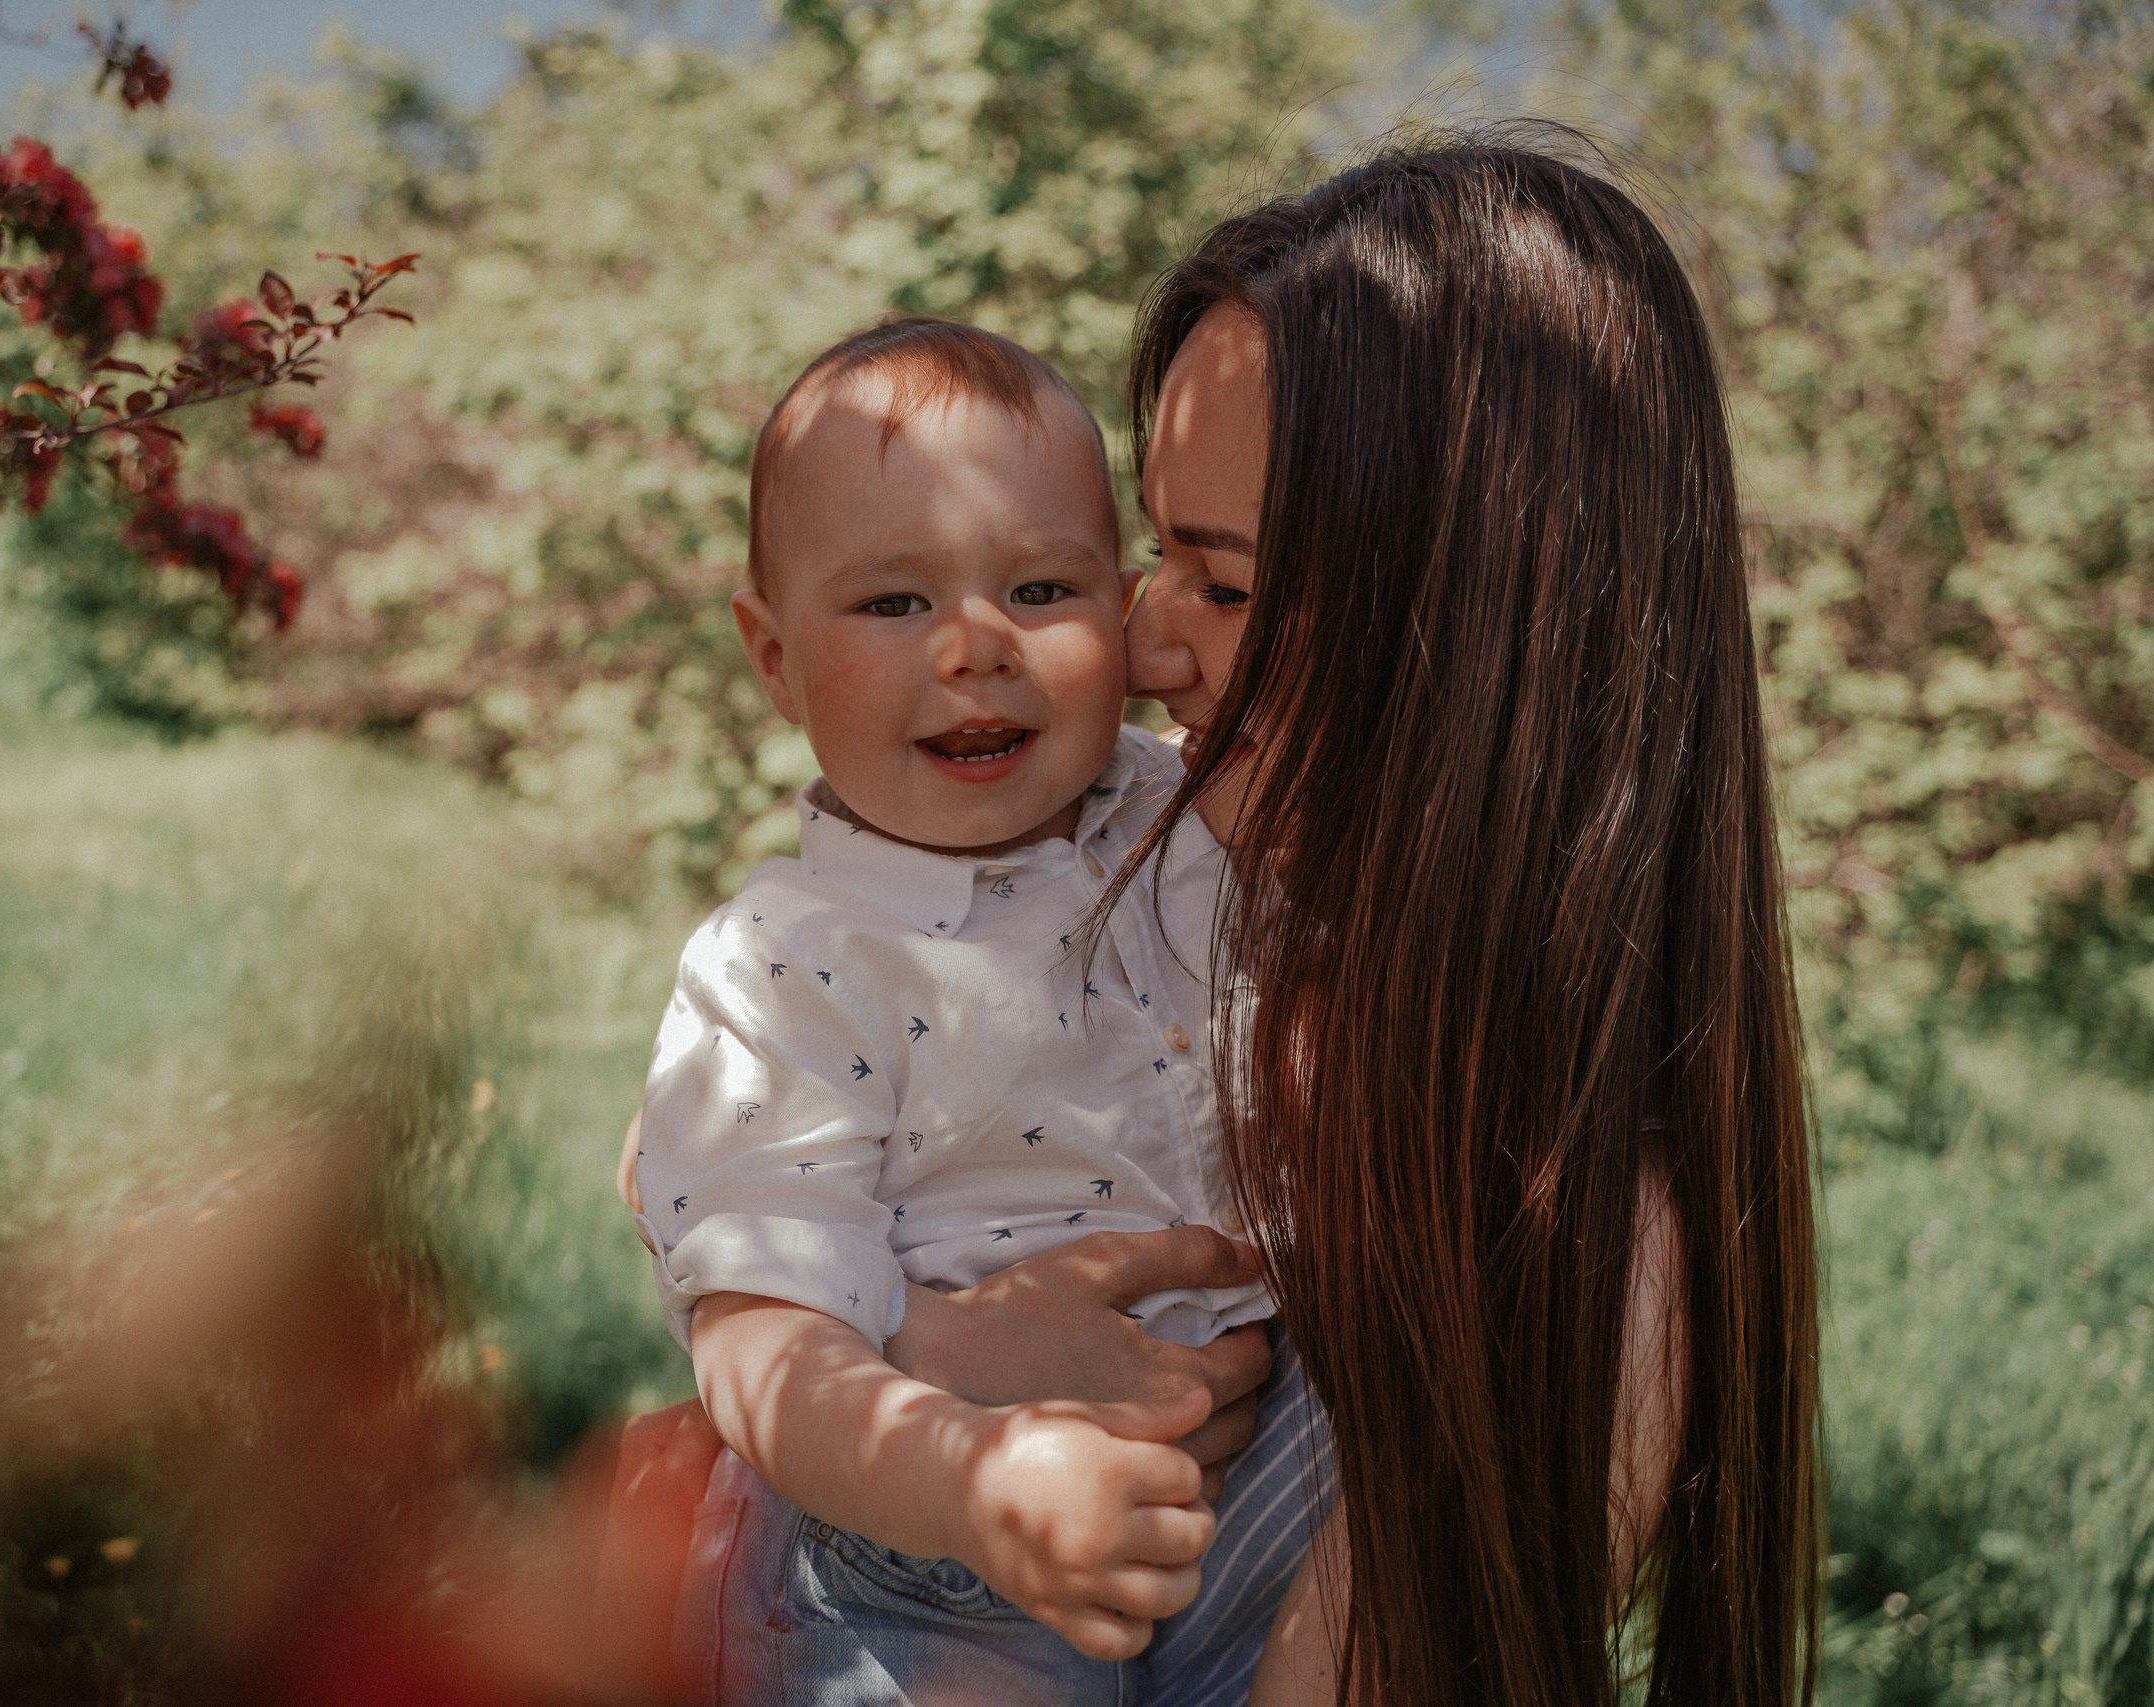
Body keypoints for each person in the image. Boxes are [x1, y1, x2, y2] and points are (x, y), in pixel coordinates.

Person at [611, 133, 1821, 1707]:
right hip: (921, 1567)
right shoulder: (1069, 877)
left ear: (1465, 638)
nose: (1144, 643)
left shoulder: (1585, 1243)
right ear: (772, 656)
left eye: (1217, 583)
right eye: (1152, 557)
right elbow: (692, 1176)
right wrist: (924, 1373)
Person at [625, 315, 1331, 1705]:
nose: (974, 647)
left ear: (1124, 615)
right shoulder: (794, 958)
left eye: (1042, 588)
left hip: (1223, 1484)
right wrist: (977, 1487)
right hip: (924, 1563)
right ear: (774, 662)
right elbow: (761, 1338)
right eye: (893, 604)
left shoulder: (1187, 815)